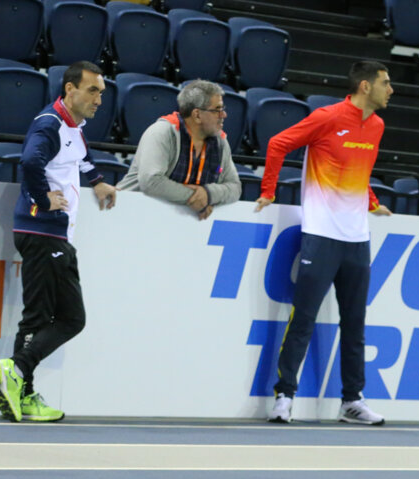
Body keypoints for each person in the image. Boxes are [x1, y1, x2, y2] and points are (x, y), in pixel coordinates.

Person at [255, 61, 393, 425]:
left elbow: (359, 174)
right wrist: (268, 190)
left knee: (355, 324)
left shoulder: (377, 125)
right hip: (320, 234)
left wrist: (373, 202)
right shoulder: (327, 117)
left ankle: (352, 401)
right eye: (385, 83)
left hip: (357, 239)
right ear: (365, 86)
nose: (390, 90)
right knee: (303, 319)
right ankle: (284, 396)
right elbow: (277, 144)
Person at [0, 61, 117, 423]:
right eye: (92, 91)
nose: (98, 99)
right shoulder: (51, 123)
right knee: (71, 317)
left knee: (40, 316)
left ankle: (23, 392)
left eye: (102, 93)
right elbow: (29, 161)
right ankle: (17, 369)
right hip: (44, 231)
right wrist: (42, 199)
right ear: (70, 89)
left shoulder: (72, 126)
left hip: (51, 234)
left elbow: (81, 157)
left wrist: (100, 181)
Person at [117, 79, 241, 219]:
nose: (223, 115)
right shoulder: (162, 132)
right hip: (129, 216)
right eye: (217, 110)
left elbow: (235, 188)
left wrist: (208, 193)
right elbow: (151, 182)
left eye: (222, 109)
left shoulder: (221, 142)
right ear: (197, 115)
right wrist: (194, 197)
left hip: (173, 224)